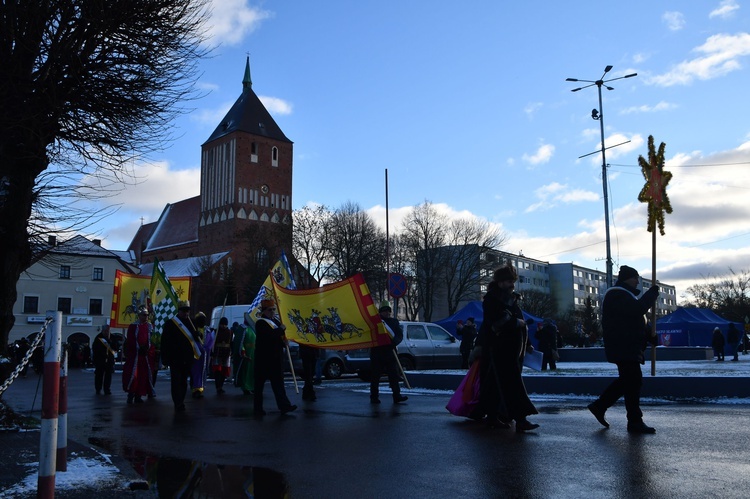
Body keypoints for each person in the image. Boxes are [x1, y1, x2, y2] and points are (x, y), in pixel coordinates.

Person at [587, 265, 660, 434]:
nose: (637, 282)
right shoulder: (617, 294)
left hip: (627, 346)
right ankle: (631, 419)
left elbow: (636, 321)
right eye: (635, 278)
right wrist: (652, 294)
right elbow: (636, 311)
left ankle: (604, 407)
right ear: (628, 278)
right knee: (632, 381)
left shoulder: (624, 296)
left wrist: (650, 336)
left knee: (630, 382)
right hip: (623, 346)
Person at [472, 264, 539, 432]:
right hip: (499, 349)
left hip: (509, 349)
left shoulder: (509, 298)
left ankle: (493, 417)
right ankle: (520, 420)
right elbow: (497, 323)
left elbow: (517, 321)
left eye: (512, 281)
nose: (512, 284)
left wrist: (528, 343)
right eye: (509, 281)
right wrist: (518, 323)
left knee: (494, 385)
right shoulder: (492, 299)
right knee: (512, 385)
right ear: (500, 282)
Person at [253, 300, 297, 416]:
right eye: (269, 310)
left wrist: (284, 342)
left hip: (276, 359)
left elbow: (278, 337)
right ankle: (257, 408)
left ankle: (284, 406)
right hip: (263, 359)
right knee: (259, 386)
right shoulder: (260, 323)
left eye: (273, 309)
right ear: (264, 311)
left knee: (279, 384)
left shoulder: (276, 322)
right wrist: (281, 330)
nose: (272, 312)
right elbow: (269, 336)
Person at [161, 301, 201, 412]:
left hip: (187, 358)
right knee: (176, 381)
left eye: (187, 311)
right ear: (179, 311)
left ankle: (181, 400)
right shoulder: (171, 323)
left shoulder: (191, 322)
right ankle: (177, 402)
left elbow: (196, 339)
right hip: (175, 358)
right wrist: (165, 357)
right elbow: (165, 341)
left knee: (183, 381)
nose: (186, 313)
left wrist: (198, 335)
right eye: (184, 311)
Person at [369, 301, 408, 405]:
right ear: (380, 312)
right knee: (375, 377)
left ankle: (397, 396)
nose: (386, 313)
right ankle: (374, 397)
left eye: (388, 311)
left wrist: (394, 342)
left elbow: (399, 335)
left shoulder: (394, 322)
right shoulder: (375, 322)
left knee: (393, 376)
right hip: (377, 352)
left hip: (390, 352)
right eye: (384, 311)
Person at [122, 306, 156, 404]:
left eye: (146, 315)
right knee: (134, 376)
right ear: (139, 316)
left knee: (143, 377)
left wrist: (147, 348)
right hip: (135, 356)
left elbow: (151, 339)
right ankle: (131, 395)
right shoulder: (133, 326)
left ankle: (138, 395)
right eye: (143, 315)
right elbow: (131, 340)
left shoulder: (149, 326)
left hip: (145, 357)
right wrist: (138, 347)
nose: (145, 317)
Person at [189, 312, 211, 399]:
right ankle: (195, 389)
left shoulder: (207, 329)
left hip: (204, 355)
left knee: (202, 371)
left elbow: (210, 340)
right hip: (195, 355)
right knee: (195, 372)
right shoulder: (193, 329)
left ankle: (200, 389)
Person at [92, 324, 116, 395]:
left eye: (108, 331)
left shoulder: (112, 337)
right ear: (102, 330)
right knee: (99, 375)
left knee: (108, 376)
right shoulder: (98, 338)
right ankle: (98, 389)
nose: (106, 332)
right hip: (100, 360)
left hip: (109, 360)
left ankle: (107, 389)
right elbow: (95, 349)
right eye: (105, 331)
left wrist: (110, 341)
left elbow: (115, 347)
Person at [212, 317, 233, 394]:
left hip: (226, 353)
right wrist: (212, 352)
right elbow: (212, 342)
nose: (224, 326)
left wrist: (232, 351)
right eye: (222, 324)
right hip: (217, 352)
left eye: (225, 324)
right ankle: (218, 386)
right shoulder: (215, 331)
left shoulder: (230, 332)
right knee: (218, 370)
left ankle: (221, 386)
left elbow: (231, 342)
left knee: (224, 370)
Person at [235, 320, 256, 395]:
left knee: (253, 371)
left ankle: (252, 387)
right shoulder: (243, 328)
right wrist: (243, 352)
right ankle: (245, 387)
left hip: (254, 352)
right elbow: (240, 342)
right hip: (247, 353)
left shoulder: (253, 328)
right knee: (245, 371)